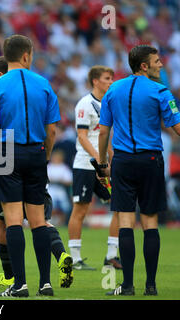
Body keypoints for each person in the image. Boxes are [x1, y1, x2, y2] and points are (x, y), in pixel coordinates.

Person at [98, 45, 180, 296]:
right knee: (150, 222)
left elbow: (103, 131)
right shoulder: (161, 92)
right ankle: (151, 286)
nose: (161, 65)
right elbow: (177, 127)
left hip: (122, 162)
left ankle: (128, 285)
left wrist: (102, 164)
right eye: (157, 61)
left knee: (125, 221)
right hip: (151, 160)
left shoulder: (113, 90)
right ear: (144, 65)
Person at [0, 35, 61, 297]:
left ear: (7, 56)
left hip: (8, 153)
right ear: (27, 55)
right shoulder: (44, 84)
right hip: (37, 152)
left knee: (13, 220)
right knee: (38, 221)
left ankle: (20, 285)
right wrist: (45, 156)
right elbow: (52, 130)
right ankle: (46, 284)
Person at [67, 65, 123, 271]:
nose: (111, 82)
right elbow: (82, 136)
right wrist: (99, 158)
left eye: (112, 78)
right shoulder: (85, 104)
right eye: (107, 78)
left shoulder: (108, 104)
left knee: (119, 205)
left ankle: (111, 255)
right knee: (80, 210)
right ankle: (74, 259)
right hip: (85, 165)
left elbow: (106, 136)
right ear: (95, 81)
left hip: (104, 166)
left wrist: (112, 160)